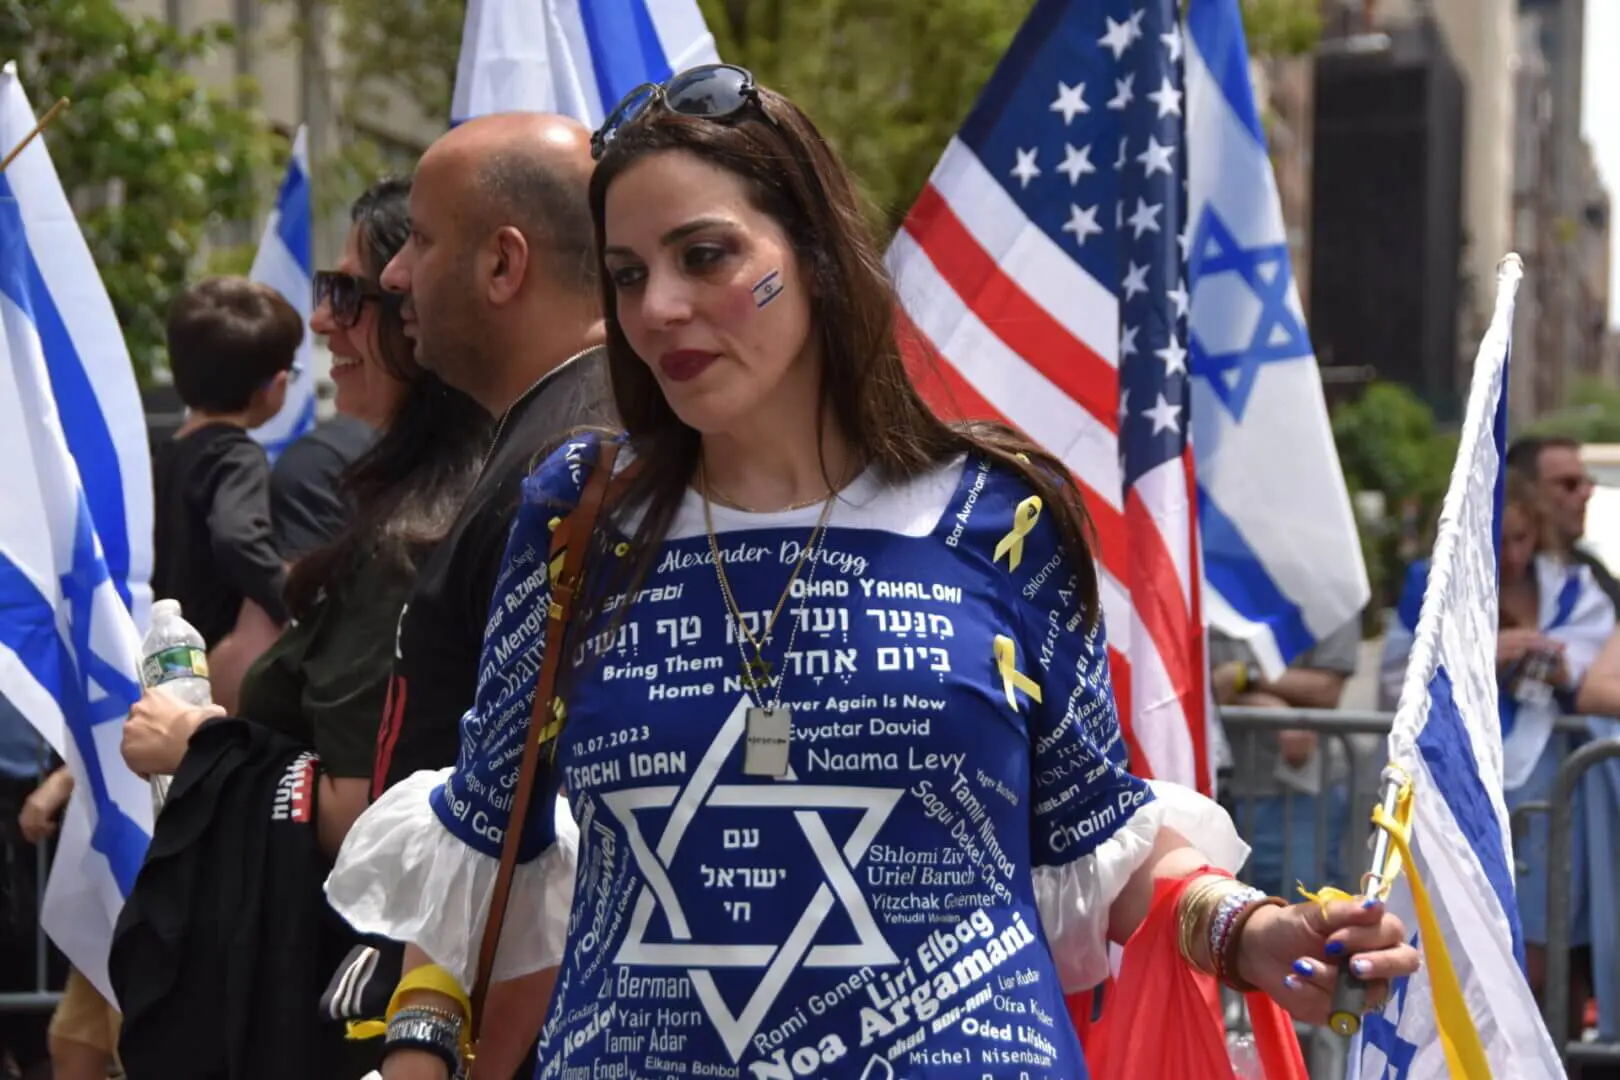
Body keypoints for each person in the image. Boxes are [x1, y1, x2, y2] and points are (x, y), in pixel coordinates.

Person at [329, 66, 1418, 1080]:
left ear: (809, 254)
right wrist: (420, 1054)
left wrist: (1255, 931)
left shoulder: (1001, 513)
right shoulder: (579, 512)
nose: (658, 307)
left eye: (704, 255)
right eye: (627, 274)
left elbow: (1094, 834)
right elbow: (487, 840)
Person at [112, 177, 490, 1080]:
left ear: (421, 309)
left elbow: (368, 808)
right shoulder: (436, 497)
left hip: (361, 996)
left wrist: (200, 742)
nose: (322, 324)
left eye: (349, 293)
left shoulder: (412, 541)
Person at [370, 113, 614, 805]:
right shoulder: (562, 439)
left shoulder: (572, 469)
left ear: (503, 264)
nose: (394, 275)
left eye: (419, 239)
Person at [150, 278, 299, 654]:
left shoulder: (164, 454)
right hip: (213, 659)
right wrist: (295, 604)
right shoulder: (237, 457)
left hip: (161, 652)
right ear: (275, 385)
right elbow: (238, 537)